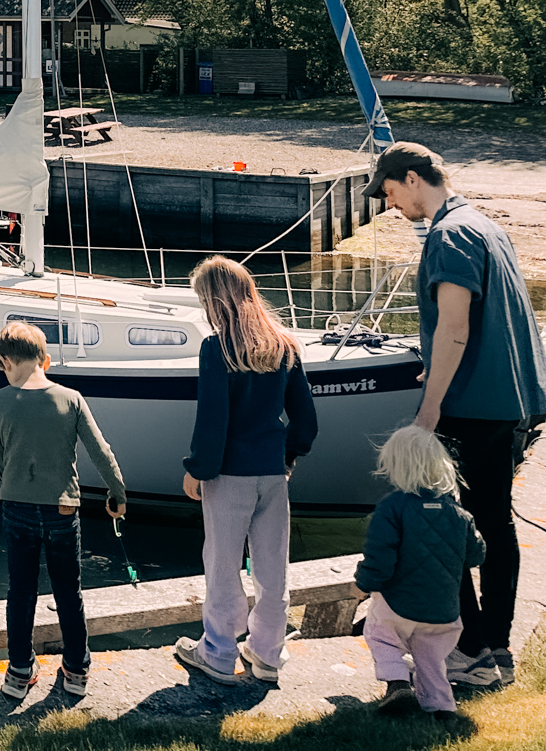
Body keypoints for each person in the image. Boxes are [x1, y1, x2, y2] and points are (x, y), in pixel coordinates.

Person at [373, 140, 546, 688]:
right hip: (507, 399)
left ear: (410, 178)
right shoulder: (482, 223)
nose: (390, 206)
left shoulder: (448, 234)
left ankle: (471, 651)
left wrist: (429, 408)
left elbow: (455, 326)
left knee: (440, 524)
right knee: (495, 525)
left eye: (388, 192)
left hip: (472, 407)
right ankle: (495, 649)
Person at [174, 256, 317, 686]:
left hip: (229, 476)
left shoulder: (217, 350)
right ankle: (268, 653)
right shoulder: (283, 345)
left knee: (221, 563)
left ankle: (218, 651)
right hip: (272, 473)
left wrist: (198, 470)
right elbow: (306, 421)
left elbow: (212, 420)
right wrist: (288, 458)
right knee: (272, 566)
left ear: (214, 301)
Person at [0, 320, 127, 702]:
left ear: (5, 363)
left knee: (21, 592)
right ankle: (77, 670)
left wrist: (18, 483)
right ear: (45, 360)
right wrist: (118, 494)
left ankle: (18, 672)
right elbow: (101, 451)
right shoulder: (71, 398)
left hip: (16, 506)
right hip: (64, 510)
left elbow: (0, 459)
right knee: (68, 592)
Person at [350, 425, 487, 719]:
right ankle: (442, 706)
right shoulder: (459, 513)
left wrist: (363, 583)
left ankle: (398, 684)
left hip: (400, 602)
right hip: (444, 610)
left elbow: (380, 561)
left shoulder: (392, 509)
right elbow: (476, 555)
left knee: (380, 634)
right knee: (431, 658)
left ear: (396, 466)